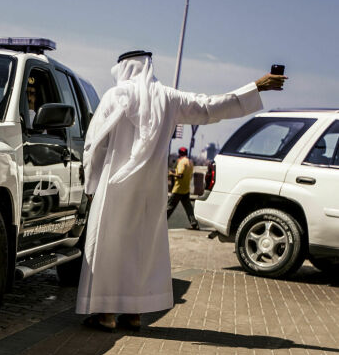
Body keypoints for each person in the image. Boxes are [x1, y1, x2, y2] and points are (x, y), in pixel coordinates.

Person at [77, 50, 286, 331]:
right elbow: (210, 107)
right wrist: (256, 86)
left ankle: (106, 315)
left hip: (114, 186)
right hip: (150, 191)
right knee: (143, 249)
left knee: (109, 247)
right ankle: (134, 314)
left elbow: (94, 143)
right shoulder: (169, 98)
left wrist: (91, 182)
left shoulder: (116, 95)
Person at [167, 146, 198, 229]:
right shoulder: (190, 162)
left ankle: (161, 223)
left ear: (179, 153)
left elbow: (180, 175)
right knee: (188, 208)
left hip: (178, 189)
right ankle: (194, 223)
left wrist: (171, 174)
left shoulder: (181, 162)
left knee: (169, 207)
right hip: (186, 189)